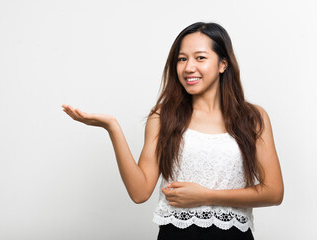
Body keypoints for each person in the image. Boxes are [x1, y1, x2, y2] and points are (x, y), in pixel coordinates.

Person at [62, 22, 284, 240]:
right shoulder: (163, 116)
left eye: (200, 58)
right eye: (182, 59)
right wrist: (112, 127)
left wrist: (206, 196)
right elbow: (139, 193)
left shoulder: (252, 117)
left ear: (222, 64)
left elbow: (274, 192)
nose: (189, 67)